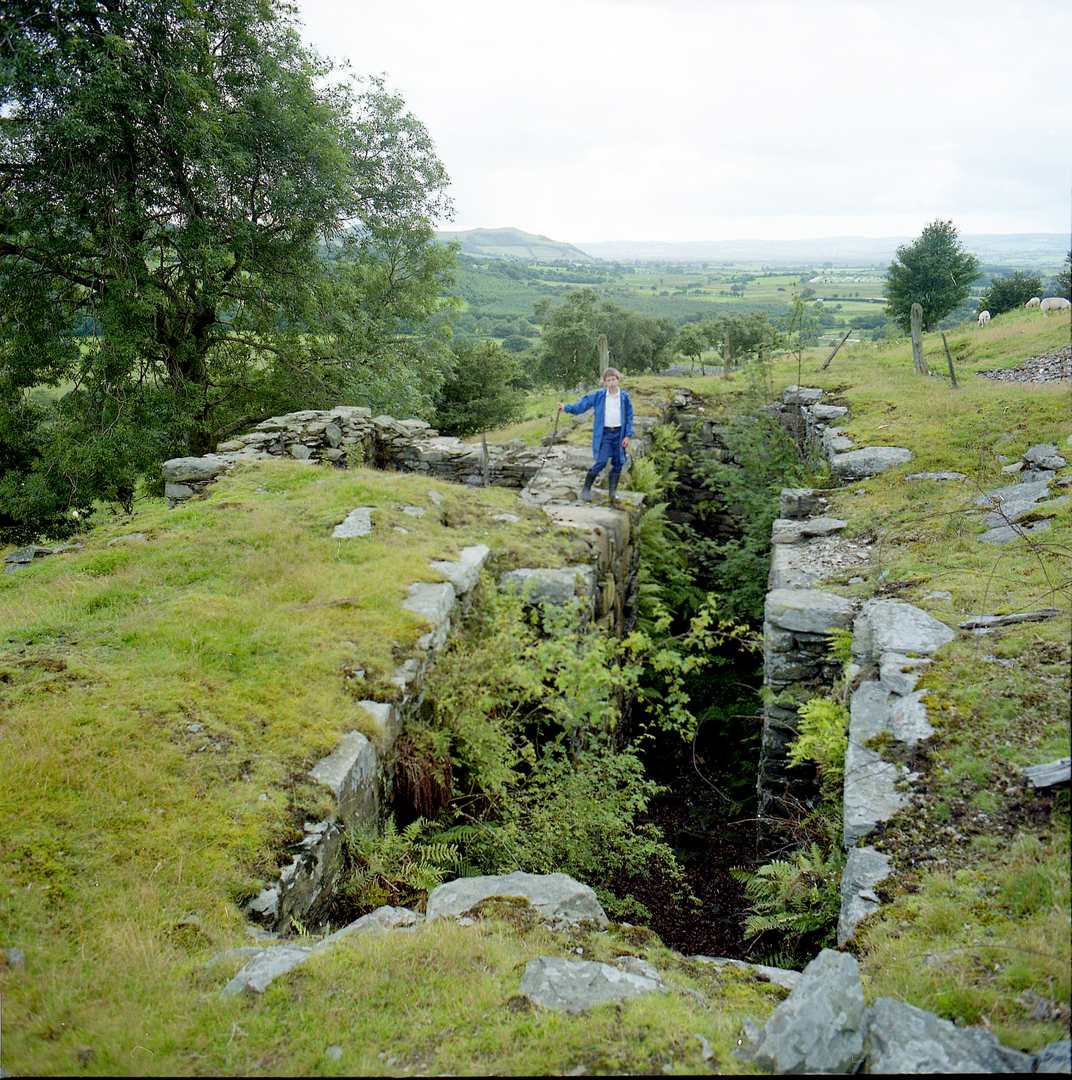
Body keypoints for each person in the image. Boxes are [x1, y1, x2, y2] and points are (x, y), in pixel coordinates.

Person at [559, 367, 634, 506]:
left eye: (614, 379)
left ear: (618, 380)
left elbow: (629, 417)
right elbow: (581, 406)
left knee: (618, 463)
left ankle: (612, 492)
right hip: (605, 434)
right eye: (608, 380)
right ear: (604, 382)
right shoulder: (599, 396)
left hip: (619, 435)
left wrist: (628, 435)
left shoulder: (624, 397)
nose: (611, 382)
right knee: (601, 461)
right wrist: (566, 408)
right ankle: (586, 488)